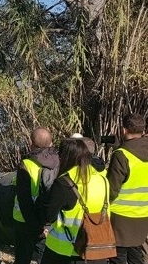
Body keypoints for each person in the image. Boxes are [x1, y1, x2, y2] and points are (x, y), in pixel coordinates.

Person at [38, 138, 111, 264]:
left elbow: (48, 215)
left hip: (65, 250)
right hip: (98, 248)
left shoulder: (64, 182)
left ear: (65, 157)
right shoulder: (102, 179)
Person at [12, 127, 59, 264]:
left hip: (25, 222)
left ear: (30, 143)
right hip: (49, 222)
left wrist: (36, 228)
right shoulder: (60, 163)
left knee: (22, 259)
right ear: (51, 143)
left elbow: (24, 199)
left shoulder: (26, 165)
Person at [107, 113, 148, 264]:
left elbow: (112, 188)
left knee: (118, 257)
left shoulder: (121, 155)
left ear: (124, 130)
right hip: (143, 214)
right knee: (136, 254)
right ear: (143, 130)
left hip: (120, 216)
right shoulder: (124, 152)